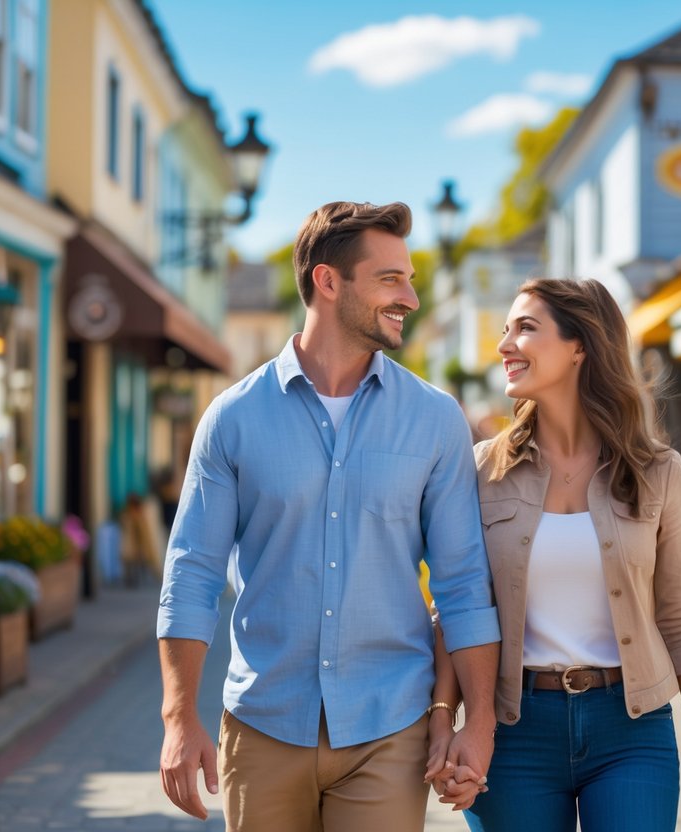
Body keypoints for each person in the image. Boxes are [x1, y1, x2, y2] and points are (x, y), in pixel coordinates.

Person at [157, 200, 501, 831]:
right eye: (390, 279)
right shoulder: (232, 419)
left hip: (388, 727)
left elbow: (462, 582)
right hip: (262, 724)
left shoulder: (435, 419)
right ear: (328, 280)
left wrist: (475, 724)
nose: (410, 299)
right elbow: (192, 575)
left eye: (411, 280)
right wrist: (179, 719)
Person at [428, 278, 681, 832]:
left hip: (632, 731)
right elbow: (457, 607)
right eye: (505, 329)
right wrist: (446, 721)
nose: (504, 345)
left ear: (580, 346)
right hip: (514, 730)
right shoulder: (480, 470)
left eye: (525, 328)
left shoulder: (657, 471)